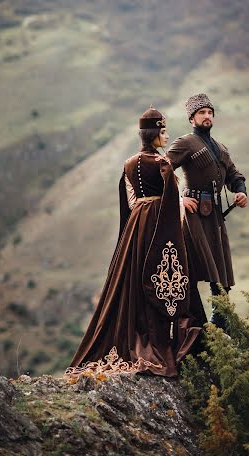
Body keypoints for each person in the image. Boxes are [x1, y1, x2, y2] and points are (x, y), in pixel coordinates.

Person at [66, 107, 202, 380]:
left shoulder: (129, 163)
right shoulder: (162, 164)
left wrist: (140, 214)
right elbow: (169, 202)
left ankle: (129, 335)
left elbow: (128, 201)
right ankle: (155, 342)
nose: (166, 136)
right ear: (153, 134)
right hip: (157, 223)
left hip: (135, 225)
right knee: (157, 275)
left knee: (131, 279)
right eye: (163, 132)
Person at [167, 93, 248, 325]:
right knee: (189, 268)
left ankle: (219, 318)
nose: (207, 116)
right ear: (192, 118)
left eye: (210, 112)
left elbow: (234, 175)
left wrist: (240, 191)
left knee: (221, 269)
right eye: (202, 113)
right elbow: (162, 170)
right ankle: (187, 320)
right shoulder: (185, 143)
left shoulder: (221, 148)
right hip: (193, 216)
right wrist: (179, 200)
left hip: (214, 214)